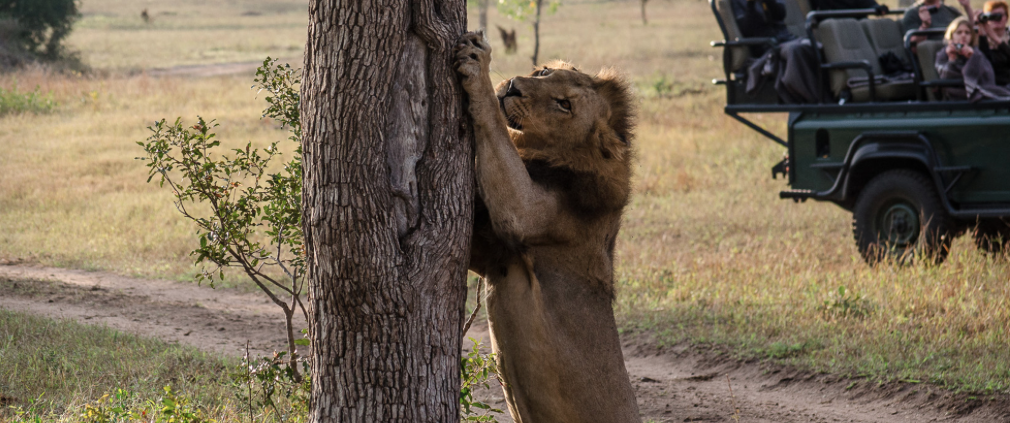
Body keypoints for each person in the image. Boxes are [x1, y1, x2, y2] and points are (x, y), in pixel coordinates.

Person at [731, 0, 797, 55]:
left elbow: (780, 15)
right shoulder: (736, 2)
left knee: (804, 45)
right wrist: (750, 4)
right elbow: (747, 30)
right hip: (765, 46)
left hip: (786, 38)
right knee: (796, 50)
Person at [935, 17, 976, 99]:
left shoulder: (976, 52)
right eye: (959, 32)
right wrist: (952, 59)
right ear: (951, 35)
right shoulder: (943, 53)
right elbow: (944, 78)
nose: (963, 35)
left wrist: (973, 58)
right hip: (954, 94)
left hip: (976, 91)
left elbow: (986, 75)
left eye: (967, 33)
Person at [977, 0, 1010, 85]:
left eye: (999, 15)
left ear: (1006, 17)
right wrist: (982, 31)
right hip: (989, 86)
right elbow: (983, 62)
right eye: (992, 16)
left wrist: (995, 38)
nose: (996, 19)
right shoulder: (981, 39)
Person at [903, 0, 971, 42]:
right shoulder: (912, 13)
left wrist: (967, 8)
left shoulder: (951, 11)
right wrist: (925, 26)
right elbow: (912, 44)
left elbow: (970, 30)